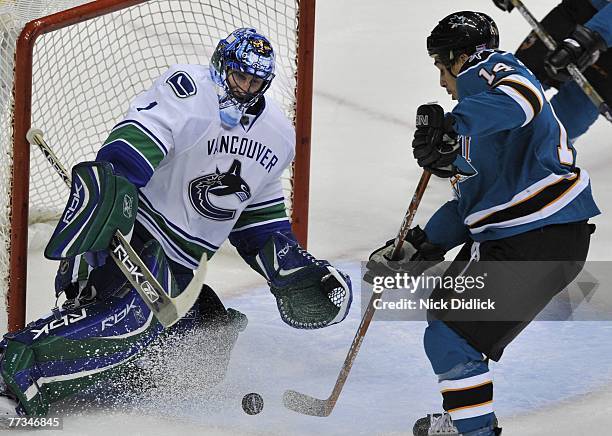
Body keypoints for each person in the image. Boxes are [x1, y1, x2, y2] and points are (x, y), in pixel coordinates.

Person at [0, 28, 352, 417]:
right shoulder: (189, 90)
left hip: (183, 271)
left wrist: (292, 267)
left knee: (203, 353)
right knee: (129, 320)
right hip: (132, 237)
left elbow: (258, 220)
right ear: (221, 65)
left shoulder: (278, 137)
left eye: (255, 82)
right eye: (240, 77)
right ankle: (11, 373)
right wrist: (114, 187)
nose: (245, 89)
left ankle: (81, 367)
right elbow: (138, 139)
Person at [366, 11, 599, 436]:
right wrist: (419, 246)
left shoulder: (489, 69)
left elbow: (523, 97)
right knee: (448, 326)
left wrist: (455, 125)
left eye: (441, 66)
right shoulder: (477, 119)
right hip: (540, 238)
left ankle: (473, 431)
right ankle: (467, 422)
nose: (441, 80)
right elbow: (469, 205)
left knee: (449, 337)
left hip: (533, 235)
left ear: (458, 57)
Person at [492, 0, 612, 140]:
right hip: (582, 8)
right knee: (517, 86)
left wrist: (587, 39)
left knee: (569, 117)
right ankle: (471, 139)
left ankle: (533, 153)